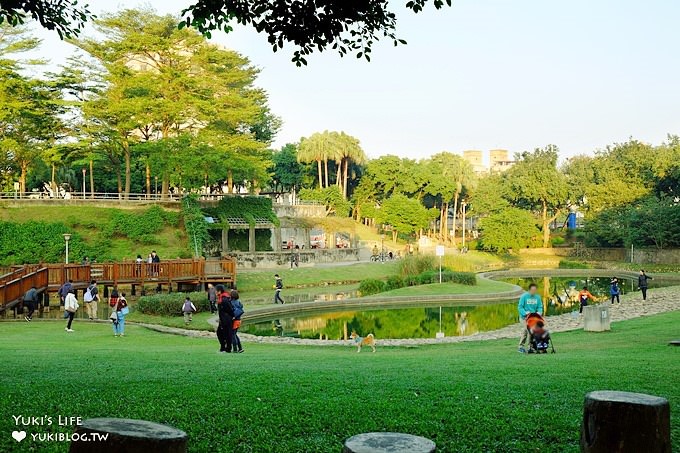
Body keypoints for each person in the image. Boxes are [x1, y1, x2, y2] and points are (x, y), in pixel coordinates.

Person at [517, 283, 543, 353]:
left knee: (532, 331)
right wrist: (525, 313)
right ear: (529, 290)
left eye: (535, 290)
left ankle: (530, 347)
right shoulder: (524, 296)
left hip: (533, 318)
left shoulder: (538, 297)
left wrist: (539, 312)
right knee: (526, 330)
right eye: (532, 290)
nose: (533, 291)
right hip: (524, 318)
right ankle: (521, 346)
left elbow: (540, 307)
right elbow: (520, 307)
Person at [216, 285, 234, 353]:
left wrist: (232, 316)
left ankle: (228, 348)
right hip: (223, 319)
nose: (215, 292)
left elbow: (229, 309)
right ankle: (223, 347)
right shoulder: (221, 298)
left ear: (219, 291)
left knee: (227, 333)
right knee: (220, 332)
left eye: (216, 291)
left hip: (226, 319)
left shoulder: (224, 299)